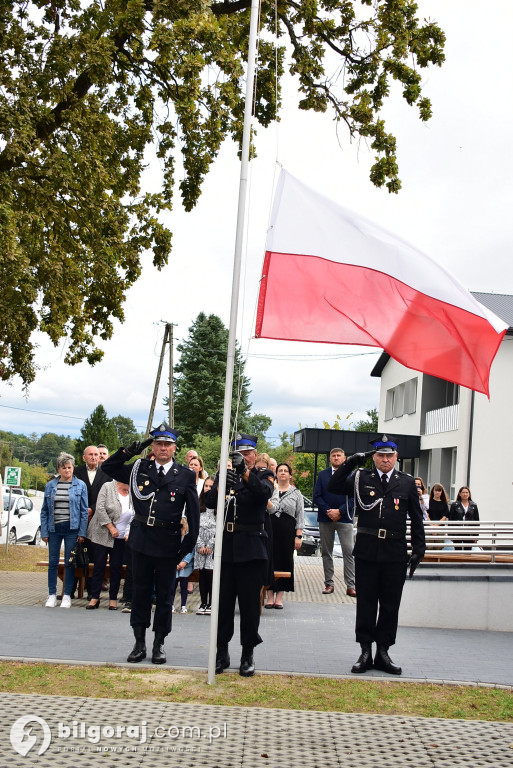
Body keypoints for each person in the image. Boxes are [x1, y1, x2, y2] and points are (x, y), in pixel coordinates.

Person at [101, 423, 200, 664]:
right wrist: (130, 451)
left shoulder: (185, 475)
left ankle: (159, 644)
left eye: (167, 444)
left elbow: (194, 519)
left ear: (174, 448)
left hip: (168, 544)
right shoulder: (138, 468)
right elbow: (108, 466)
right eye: (158, 443)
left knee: (165, 597)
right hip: (141, 541)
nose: (163, 448)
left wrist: (185, 550)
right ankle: (139, 643)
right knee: (140, 594)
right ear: (153, 447)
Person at [328, 435, 425, 676]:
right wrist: (350, 463)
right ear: (374, 457)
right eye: (380, 455)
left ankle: (383, 651)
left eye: (389, 456)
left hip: (395, 551)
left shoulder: (406, 482)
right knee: (367, 603)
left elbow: (416, 518)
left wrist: (418, 550)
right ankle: (365, 651)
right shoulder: (362, 478)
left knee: (391, 604)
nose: (384, 460)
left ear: (396, 457)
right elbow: (334, 485)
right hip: (368, 550)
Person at [205, 433, 274, 677]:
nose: (242, 458)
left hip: (251, 548)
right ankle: (221, 651)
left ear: (254, 455)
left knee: (248, 606)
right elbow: (210, 502)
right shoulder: (226, 476)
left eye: (246, 454)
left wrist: (244, 472)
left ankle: (248, 653)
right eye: (238, 454)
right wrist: (222, 477)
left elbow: (263, 493)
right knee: (223, 605)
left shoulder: (262, 474)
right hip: (227, 548)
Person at [40, 453, 88, 608]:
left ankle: (67, 595)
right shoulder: (50, 485)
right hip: (54, 528)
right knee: (53, 562)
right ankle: (52, 595)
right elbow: (44, 511)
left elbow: (83, 511)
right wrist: (44, 532)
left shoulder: (80, 485)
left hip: (72, 528)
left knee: (69, 562)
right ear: (59, 469)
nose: (67, 470)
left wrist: (82, 532)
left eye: (70, 467)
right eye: (64, 468)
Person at [313, 447, 356, 597]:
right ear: (330, 459)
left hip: (345, 519)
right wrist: (329, 511)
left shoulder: (352, 476)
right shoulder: (323, 475)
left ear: (344, 458)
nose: (336, 458)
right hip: (326, 518)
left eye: (339, 456)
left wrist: (341, 511)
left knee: (349, 551)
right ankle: (329, 584)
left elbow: (354, 498)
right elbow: (316, 496)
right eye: (333, 456)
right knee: (326, 552)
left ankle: (351, 585)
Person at [85, 479, 132, 610]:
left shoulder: (133, 492)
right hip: (102, 532)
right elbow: (99, 509)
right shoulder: (107, 486)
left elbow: (133, 514)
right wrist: (111, 528)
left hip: (121, 537)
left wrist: (127, 532)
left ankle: (113, 599)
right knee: (99, 565)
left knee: (116, 568)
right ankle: (95, 597)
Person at [265, 463, 304, 610]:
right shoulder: (270, 490)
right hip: (270, 529)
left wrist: (298, 536)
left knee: (284, 560)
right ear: (275, 474)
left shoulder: (296, 493)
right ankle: (269, 595)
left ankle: (280, 596)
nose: (282, 473)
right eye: (280, 470)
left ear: (290, 475)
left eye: (285, 471)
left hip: (287, 532)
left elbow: (300, 515)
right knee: (269, 560)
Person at [195, 476, 216, 614]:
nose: (208, 488)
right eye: (206, 486)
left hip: (213, 543)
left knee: (210, 573)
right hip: (200, 541)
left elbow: (220, 526)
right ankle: (203, 602)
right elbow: (193, 524)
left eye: (211, 486)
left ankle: (211, 603)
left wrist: (210, 545)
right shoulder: (198, 503)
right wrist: (200, 544)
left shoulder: (218, 505)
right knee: (202, 573)